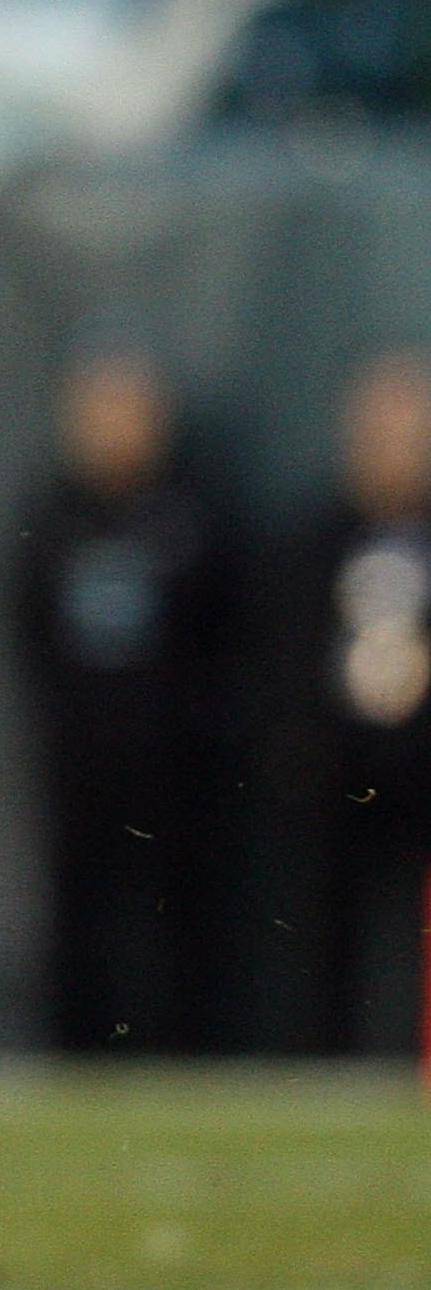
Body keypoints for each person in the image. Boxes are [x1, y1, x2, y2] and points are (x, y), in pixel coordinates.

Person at [12, 349, 237, 1052]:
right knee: (78, 925)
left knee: (179, 927)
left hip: (175, 770)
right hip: (80, 765)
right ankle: (72, 1062)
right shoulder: (50, 519)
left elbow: (228, 636)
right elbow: (26, 636)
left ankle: (187, 1058)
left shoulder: (193, 515)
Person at [289, 351, 431, 1055]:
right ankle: (327, 1056)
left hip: (420, 767)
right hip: (337, 773)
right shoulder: (314, 537)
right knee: (327, 932)